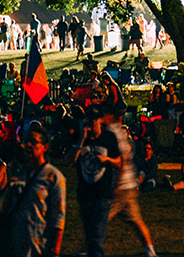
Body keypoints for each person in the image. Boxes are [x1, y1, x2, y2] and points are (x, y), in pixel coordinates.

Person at [103, 103, 157, 257]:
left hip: (120, 186)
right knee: (135, 220)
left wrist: (117, 183)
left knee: (99, 219)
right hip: (129, 184)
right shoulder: (118, 132)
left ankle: (87, 250)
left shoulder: (113, 133)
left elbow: (122, 160)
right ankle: (150, 251)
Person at [3, 128, 66, 257]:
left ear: (45, 147)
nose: (28, 145)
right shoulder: (18, 172)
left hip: (39, 244)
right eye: (27, 141)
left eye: (33, 142)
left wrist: (54, 249)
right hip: (14, 242)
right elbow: (6, 207)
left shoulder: (53, 176)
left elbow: (58, 216)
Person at [74, 105, 120, 257]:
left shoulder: (108, 138)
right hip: (85, 194)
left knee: (96, 240)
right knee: (89, 237)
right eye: (88, 118)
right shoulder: (80, 137)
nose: (91, 122)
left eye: (94, 119)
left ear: (100, 120)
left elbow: (120, 162)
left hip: (102, 195)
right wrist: (81, 140)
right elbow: (69, 160)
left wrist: (107, 159)